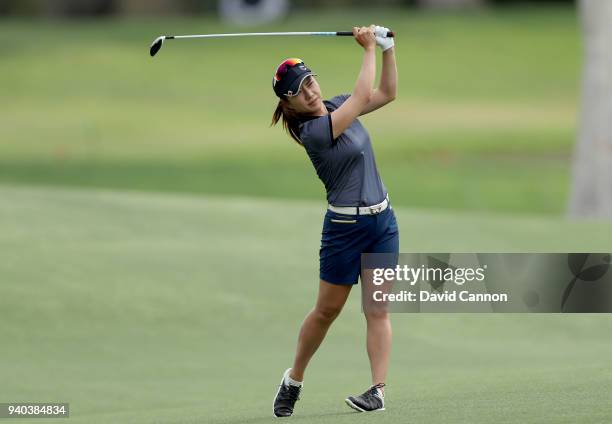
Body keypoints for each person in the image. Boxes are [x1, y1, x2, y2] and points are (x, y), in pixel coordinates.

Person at [270, 24, 399, 417]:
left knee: (377, 310)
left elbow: (387, 93)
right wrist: (367, 50)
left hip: (382, 224)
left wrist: (388, 49)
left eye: (309, 82)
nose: (309, 91)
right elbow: (363, 94)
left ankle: (377, 391)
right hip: (344, 231)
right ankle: (294, 379)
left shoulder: (336, 105)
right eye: (298, 91)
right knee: (327, 312)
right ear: (288, 105)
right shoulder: (312, 132)